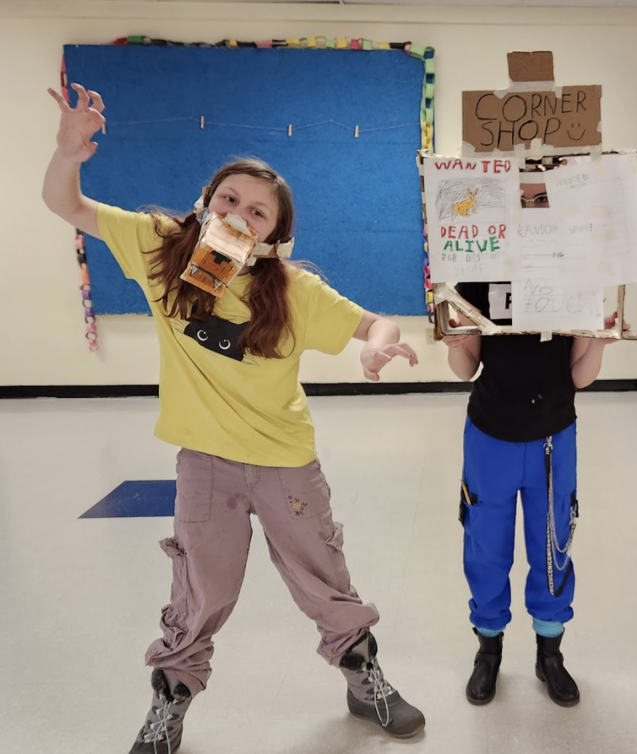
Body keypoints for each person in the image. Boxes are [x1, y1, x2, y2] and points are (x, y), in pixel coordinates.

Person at [43, 84, 425, 753]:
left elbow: (373, 319)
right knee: (200, 590)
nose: (241, 215)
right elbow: (64, 203)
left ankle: (366, 682)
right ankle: (169, 707)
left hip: (285, 463)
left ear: (278, 232)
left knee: (324, 579)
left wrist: (378, 344)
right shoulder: (162, 249)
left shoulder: (292, 291)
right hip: (205, 463)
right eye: (230, 199)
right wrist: (67, 152)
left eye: (258, 211)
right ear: (206, 199)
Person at [442, 179, 621, 707]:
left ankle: (550, 653)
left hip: (552, 438)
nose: (533, 209)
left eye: (544, 200)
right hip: (490, 436)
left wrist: (598, 339)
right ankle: (489, 649)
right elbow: (464, 367)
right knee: (486, 547)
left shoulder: (579, 273)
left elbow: (581, 377)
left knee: (552, 544)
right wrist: (457, 338)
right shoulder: (475, 273)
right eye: (524, 199)